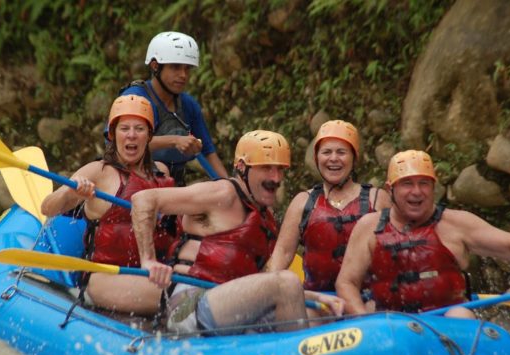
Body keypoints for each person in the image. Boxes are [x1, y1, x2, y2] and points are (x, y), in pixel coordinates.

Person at [131, 130, 342, 335]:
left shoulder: (264, 218)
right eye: (267, 168)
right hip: (190, 304)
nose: (276, 178)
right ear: (242, 168)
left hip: (230, 305)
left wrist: (315, 296)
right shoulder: (222, 193)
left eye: (280, 169)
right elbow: (143, 200)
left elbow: (259, 283)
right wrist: (148, 260)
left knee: (316, 314)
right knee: (286, 281)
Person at [336, 149, 510, 316]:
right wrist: (364, 320)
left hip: (446, 323)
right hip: (392, 324)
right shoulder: (368, 227)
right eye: (407, 184)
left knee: (461, 315)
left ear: (433, 187)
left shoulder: (456, 223)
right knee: (371, 311)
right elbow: (347, 282)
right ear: (390, 189)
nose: (417, 191)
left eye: (424, 183)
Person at [41, 95, 176, 315]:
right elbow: (48, 207)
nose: (131, 135)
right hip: (106, 275)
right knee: (178, 298)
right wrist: (72, 192)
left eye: (139, 129)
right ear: (113, 135)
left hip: (153, 272)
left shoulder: (161, 172)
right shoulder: (98, 171)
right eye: (124, 128)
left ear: (149, 135)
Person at [267, 120, 390, 317]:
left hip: (367, 299)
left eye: (341, 152)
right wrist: (261, 291)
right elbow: (281, 255)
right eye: (326, 152)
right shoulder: (303, 203)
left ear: (353, 158)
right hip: (318, 303)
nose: (333, 159)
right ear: (316, 158)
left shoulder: (377, 199)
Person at [117, 31, 228, 185]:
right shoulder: (135, 98)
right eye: (175, 67)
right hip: (131, 182)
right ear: (155, 66)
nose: (183, 75)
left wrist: (231, 187)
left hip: (173, 185)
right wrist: (174, 141)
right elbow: (123, 144)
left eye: (187, 69)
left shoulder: (188, 105)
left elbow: (209, 154)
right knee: (162, 170)